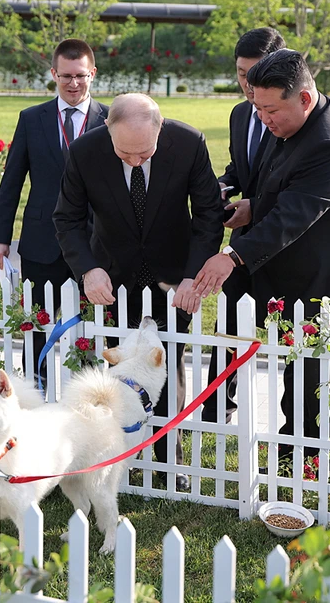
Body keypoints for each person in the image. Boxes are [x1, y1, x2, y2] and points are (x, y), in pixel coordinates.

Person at [192, 49, 330, 467]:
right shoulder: (290, 123)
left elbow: (294, 215)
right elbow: (276, 188)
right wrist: (250, 209)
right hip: (303, 275)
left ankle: (318, 471)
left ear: (303, 97)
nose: (263, 118)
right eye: (256, 107)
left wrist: (232, 255)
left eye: (270, 109)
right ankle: (292, 460)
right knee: (298, 378)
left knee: (324, 385)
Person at [53, 93, 225, 489]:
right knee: (120, 371)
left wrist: (193, 275)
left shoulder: (189, 143)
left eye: (143, 152)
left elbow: (208, 215)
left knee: (167, 364)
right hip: (112, 279)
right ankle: (117, 457)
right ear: (107, 131)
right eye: (124, 153)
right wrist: (88, 270)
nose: (134, 160)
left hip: (173, 280)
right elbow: (67, 217)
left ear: (160, 129)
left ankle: (170, 462)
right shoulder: (85, 152)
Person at [0, 39, 109, 387]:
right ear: (54, 74)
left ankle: (86, 394)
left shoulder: (111, 118)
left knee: (89, 326)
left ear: (93, 74)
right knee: (36, 326)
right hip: (42, 243)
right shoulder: (32, 119)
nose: (74, 84)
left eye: (81, 76)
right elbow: (11, 181)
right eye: (66, 76)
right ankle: (36, 392)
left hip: (93, 243)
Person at [201, 27, 286, 425]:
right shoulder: (239, 114)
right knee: (229, 329)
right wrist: (223, 185)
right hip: (242, 240)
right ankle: (219, 408)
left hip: (287, 241)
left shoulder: (290, 117)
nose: (249, 86)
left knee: (290, 338)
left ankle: (294, 421)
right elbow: (241, 169)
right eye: (240, 74)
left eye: (256, 74)